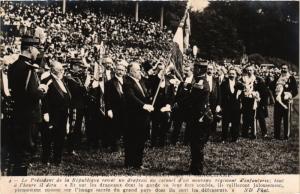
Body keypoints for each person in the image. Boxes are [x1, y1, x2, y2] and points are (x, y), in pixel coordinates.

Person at [7, 36, 48, 175]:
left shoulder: (14, 66)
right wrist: (42, 90)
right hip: (28, 117)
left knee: (16, 154)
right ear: (30, 48)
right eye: (37, 49)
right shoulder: (28, 68)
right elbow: (32, 94)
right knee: (25, 153)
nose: (38, 53)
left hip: (17, 114)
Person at [123, 62, 153, 169]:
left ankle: (138, 163)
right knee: (132, 140)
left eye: (140, 69)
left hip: (142, 117)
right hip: (133, 117)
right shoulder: (127, 82)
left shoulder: (141, 81)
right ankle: (129, 163)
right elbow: (131, 98)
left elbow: (147, 91)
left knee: (140, 140)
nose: (139, 72)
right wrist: (144, 105)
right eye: (137, 70)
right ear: (131, 72)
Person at [41, 61, 72, 166]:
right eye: (60, 70)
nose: (62, 71)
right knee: (48, 137)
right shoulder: (46, 80)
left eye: (62, 69)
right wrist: (45, 112)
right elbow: (43, 98)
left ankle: (57, 158)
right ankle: (46, 158)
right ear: (53, 70)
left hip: (63, 114)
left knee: (60, 136)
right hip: (52, 114)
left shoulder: (63, 80)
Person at [188, 62, 211, 175]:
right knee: (195, 144)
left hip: (199, 118)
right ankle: (194, 167)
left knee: (197, 144)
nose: (193, 70)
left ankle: (197, 169)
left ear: (200, 70)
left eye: (195, 68)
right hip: (196, 117)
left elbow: (193, 97)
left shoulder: (202, 82)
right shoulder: (199, 81)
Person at [148, 62, 174, 147]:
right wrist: (150, 99)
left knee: (164, 124)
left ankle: (161, 142)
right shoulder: (153, 79)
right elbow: (149, 91)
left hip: (165, 105)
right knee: (155, 124)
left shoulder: (169, 79)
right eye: (160, 70)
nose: (162, 71)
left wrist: (169, 105)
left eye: (164, 69)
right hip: (156, 105)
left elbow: (172, 95)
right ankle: (153, 142)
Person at [270, 64, 298, 140]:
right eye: (282, 68)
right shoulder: (277, 78)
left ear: (287, 69)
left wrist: (290, 95)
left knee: (286, 119)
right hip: (278, 101)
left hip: (286, 101)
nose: (283, 69)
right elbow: (272, 87)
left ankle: (286, 136)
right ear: (280, 69)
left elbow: (295, 91)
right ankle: (276, 136)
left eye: (285, 68)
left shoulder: (291, 78)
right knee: (277, 119)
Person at [104, 63, 127, 152]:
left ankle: (125, 144)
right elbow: (107, 97)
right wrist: (109, 109)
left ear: (124, 71)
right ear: (115, 70)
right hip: (115, 108)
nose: (120, 72)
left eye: (122, 70)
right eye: (119, 70)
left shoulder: (127, 81)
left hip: (126, 108)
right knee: (115, 127)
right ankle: (115, 146)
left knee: (125, 126)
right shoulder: (110, 82)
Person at [171, 64, 194, 145]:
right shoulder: (183, 79)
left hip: (190, 106)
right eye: (185, 70)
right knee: (177, 124)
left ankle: (186, 141)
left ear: (192, 71)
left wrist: (189, 86)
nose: (185, 72)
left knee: (189, 125)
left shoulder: (195, 80)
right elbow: (178, 93)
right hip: (180, 106)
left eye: (187, 71)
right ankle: (173, 141)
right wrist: (176, 102)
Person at [220, 68, 242, 142]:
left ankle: (235, 138)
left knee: (235, 122)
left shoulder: (239, 84)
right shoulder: (224, 83)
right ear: (228, 74)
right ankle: (224, 138)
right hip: (226, 106)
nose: (231, 75)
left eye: (233, 74)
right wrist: (220, 105)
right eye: (230, 74)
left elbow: (242, 95)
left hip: (236, 106)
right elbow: (221, 95)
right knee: (225, 122)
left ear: (236, 75)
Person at [204, 64, 221, 141]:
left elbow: (219, 93)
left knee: (213, 117)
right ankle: (204, 133)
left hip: (214, 102)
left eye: (211, 69)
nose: (209, 70)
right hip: (205, 101)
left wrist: (218, 104)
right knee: (205, 116)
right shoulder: (203, 79)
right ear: (206, 70)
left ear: (213, 70)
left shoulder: (215, 80)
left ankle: (211, 133)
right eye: (208, 69)